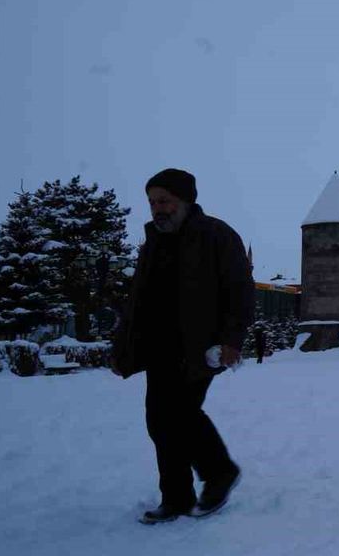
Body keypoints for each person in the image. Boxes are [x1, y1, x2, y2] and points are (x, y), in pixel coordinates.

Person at [111, 168, 254, 524]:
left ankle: (219, 471)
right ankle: (176, 497)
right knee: (159, 421)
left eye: (165, 201)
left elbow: (240, 290)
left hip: (199, 346)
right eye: (152, 202)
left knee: (180, 413)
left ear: (186, 201)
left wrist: (231, 339)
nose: (157, 208)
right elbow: (138, 300)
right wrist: (122, 346)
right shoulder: (153, 243)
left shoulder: (216, 235)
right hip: (158, 346)